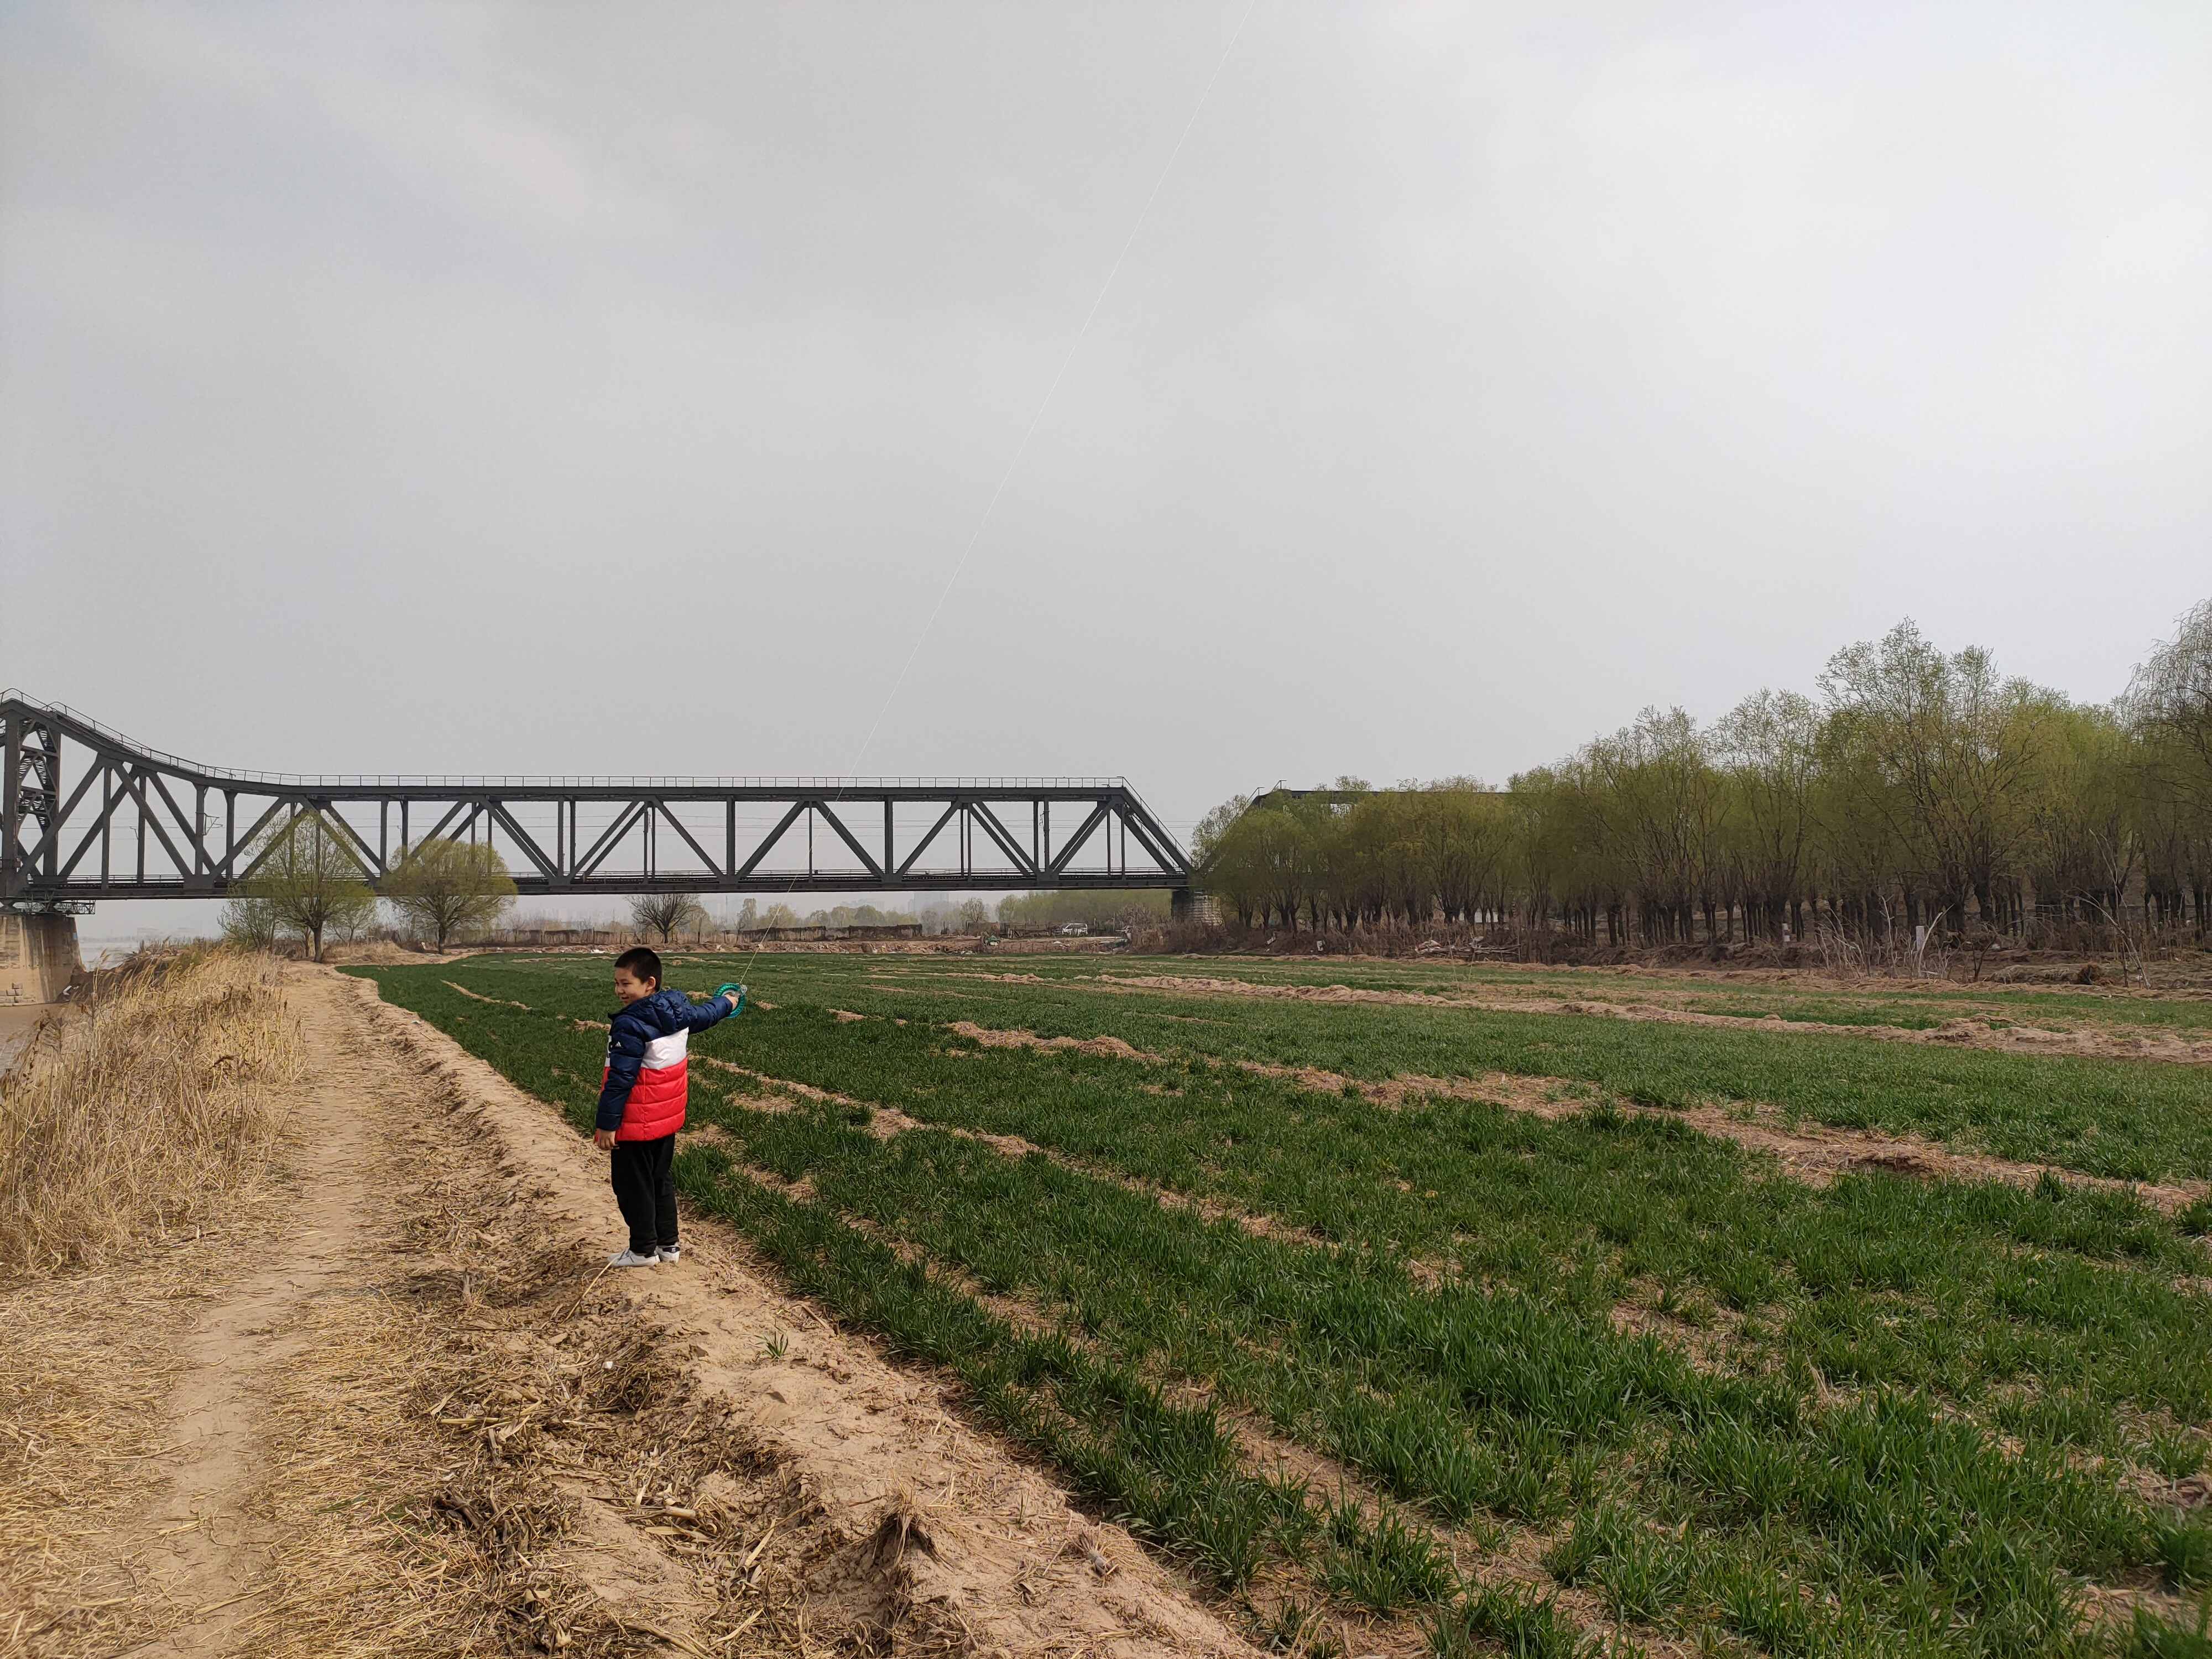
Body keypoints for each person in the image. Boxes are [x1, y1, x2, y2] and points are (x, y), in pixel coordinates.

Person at [596, 945, 740, 1268]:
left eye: (626, 984)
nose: (619, 991)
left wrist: (607, 1125)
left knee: (633, 1187)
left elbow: (619, 1079)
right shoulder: (679, 1011)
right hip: (665, 1119)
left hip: (635, 1122)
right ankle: (668, 1245)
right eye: (616, 984)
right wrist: (729, 1002)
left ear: (649, 984)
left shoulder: (629, 1025)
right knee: (660, 1180)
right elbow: (709, 1012)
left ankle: (643, 1250)